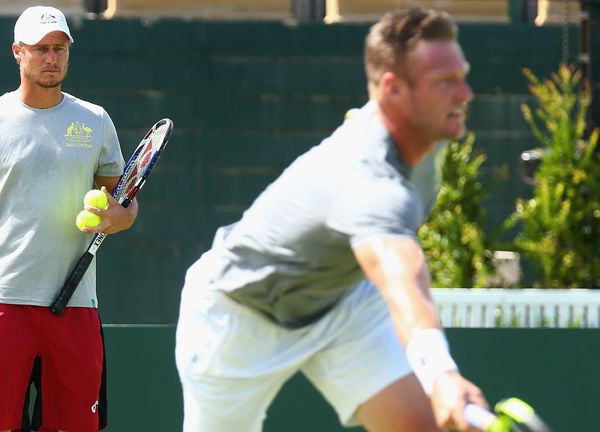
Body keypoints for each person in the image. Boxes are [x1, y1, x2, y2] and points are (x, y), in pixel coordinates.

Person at [175, 7, 487, 432]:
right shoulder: (369, 179)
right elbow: (399, 277)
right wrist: (442, 373)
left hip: (342, 303)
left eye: (462, 75)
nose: (465, 93)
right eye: (445, 82)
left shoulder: (429, 130)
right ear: (394, 89)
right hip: (239, 316)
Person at [0, 6, 137, 432]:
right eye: (41, 49)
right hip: (4, 300)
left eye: (59, 48)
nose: (52, 57)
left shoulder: (95, 120)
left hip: (77, 306)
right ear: (17, 52)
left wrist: (119, 218)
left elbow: (125, 202)